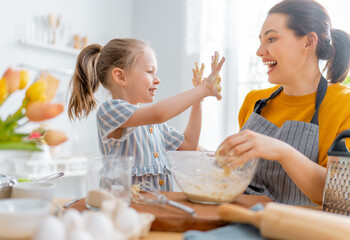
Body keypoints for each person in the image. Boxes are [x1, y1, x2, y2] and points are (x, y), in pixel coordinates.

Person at [216, 0, 350, 206]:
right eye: (260, 41)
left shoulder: (344, 105)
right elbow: (239, 176)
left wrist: (282, 151)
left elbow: (338, 195)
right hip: (241, 219)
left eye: (271, 39)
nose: (260, 51)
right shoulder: (254, 102)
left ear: (308, 42)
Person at [68, 38, 225, 191]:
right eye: (150, 72)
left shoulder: (152, 124)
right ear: (120, 77)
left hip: (157, 210)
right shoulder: (109, 111)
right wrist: (202, 89)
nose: (157, 80)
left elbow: (189, 144)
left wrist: (198, 101)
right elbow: (159, 113)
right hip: (125, 211)